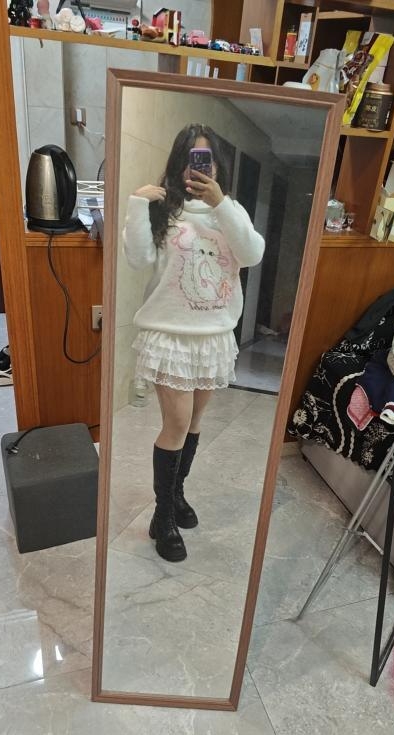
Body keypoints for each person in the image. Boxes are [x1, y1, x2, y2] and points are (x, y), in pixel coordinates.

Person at [122, 123, 265, 562]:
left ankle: (176, 494)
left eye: (205, 160)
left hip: (214, 336)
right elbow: (138, 259)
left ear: (218, 166)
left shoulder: (231, 211)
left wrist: (221, 203)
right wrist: (137, 204)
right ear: (177, 163)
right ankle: (163, 516)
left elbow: (252, 254)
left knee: (196, 421)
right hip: (169, 335)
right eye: (189, 158)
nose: (196, 168)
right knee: (177, 424)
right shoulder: (164, 208)